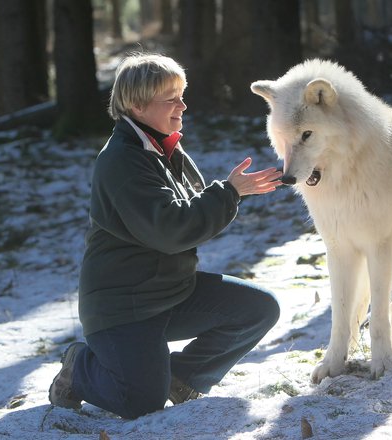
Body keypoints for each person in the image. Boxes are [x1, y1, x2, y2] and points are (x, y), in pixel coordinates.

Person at [48, 53, 283, 419]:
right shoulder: (123, 161)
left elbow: (191, 207)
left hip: (170, 292)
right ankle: (80, 368)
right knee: (140, 403)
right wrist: (230, 192)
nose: (183, 105)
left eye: (182, 95)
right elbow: (173, 230)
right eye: (171, 99)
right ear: (137, 105)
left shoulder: (162, 146)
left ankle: (182, 376)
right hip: (124, 306)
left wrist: (230, 192)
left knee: (257, 309)